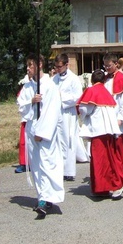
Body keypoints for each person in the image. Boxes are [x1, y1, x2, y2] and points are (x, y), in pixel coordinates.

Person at [17, 54, 64, 217]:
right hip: (31, 128)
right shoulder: (28, 86)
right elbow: (21, 106)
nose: (28, 69)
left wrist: (42, 132)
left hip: (44, 132)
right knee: (36, 165)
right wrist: (31, 101)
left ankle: (47, 198)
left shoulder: (50, 86)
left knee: (47, 163)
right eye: (27, 65)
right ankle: (42, 197)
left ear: (40, 65)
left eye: (30, 65)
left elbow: (52, 111)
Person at [77, 69, 123, 199]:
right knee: (111, 158)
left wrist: (82, 114)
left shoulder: (91, 90)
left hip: (98, 131)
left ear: (92, 80)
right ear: (104, 80)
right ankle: (103, 188)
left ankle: (114, 186)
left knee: (100, 160)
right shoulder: (106, 92)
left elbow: (84, 109)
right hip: (109, 130)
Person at [53, 54, 88, 182]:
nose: (57, 69)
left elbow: (78, 97)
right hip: (57, 113)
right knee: (58, 141)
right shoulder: (54, 79)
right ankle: (59, 169)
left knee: (69, 140)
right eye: (56, 67)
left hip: (68, 113)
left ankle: (69, 171)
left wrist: (62, 98)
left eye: (60, 67)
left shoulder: (73, 79)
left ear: (67, 65)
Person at [103, 53, 123, 176]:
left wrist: (121, 118)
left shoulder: (122, 78)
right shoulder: (106, 78)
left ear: (116, 64)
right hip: (108, 114)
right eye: (105, 66)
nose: (107, 68)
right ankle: (113, 169)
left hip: (118, 117)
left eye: (109, 66)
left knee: (121, 144)